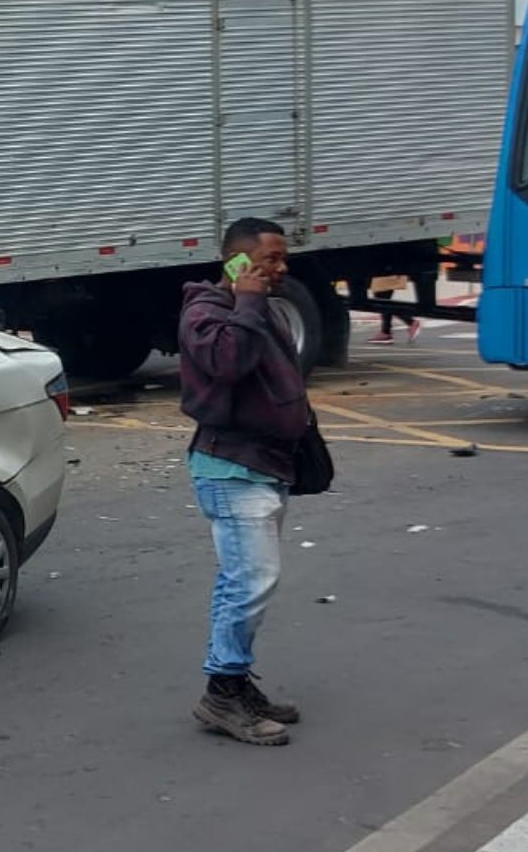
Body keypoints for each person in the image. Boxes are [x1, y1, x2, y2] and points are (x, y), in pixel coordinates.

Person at [178, 217, 310, 747]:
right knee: (250, 581)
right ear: (236, 262)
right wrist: (248, 300)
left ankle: (234, 681)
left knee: (248, 581)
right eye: (270, 259)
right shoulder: (205, 311)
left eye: (283, 258)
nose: (281, 268)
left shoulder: (260, 309)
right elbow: (227, 362)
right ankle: (222, 694)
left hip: (264, 464)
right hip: (229, 468)